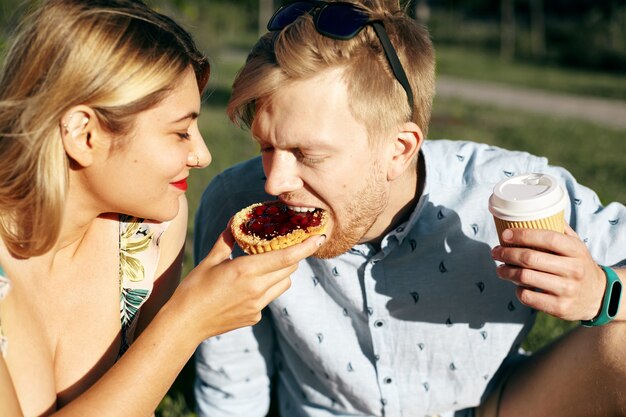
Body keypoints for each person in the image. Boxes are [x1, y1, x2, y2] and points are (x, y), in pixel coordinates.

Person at [192, 1, 626, 416]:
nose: (275, 181)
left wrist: (603, 292)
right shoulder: (238, 205)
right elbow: (234, 385)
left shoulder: (504, 190)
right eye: (267, 145)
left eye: (308, 154)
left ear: (399, 150)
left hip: (492, 402)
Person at [0, 1, 326, 416]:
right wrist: (186, 322)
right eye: (179, 132)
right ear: (84, 135)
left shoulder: (145, 233)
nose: (203, 156)